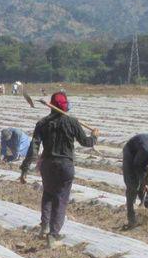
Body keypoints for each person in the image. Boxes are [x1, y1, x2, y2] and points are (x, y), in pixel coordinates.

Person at [19, 92, 98, 248]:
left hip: (47, 165)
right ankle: (53, 235)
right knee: (60, 199)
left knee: (48, 194)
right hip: (65, 166)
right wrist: (94, 136)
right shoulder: (72, 122)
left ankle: (45, 226)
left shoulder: (42, 123)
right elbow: (86, 142)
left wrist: (25, 169)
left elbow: (33, 147)